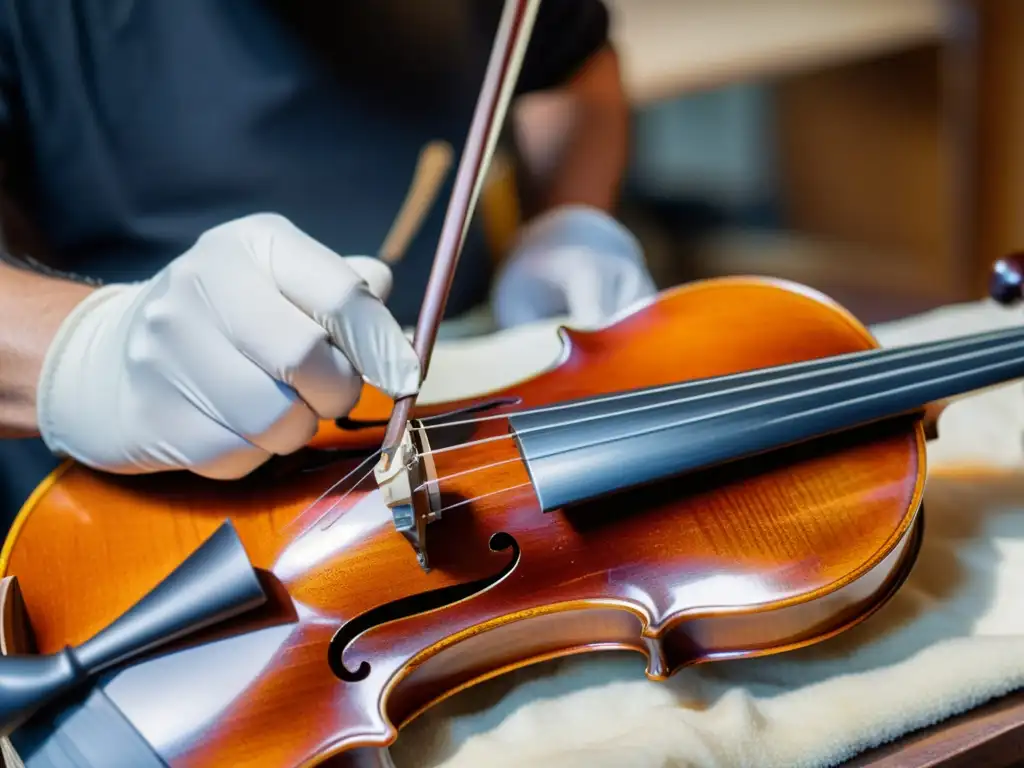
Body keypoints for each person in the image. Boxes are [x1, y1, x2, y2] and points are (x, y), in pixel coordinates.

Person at [0, 1, 656, 523]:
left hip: (464, 417)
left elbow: (575, 65)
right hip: (134, 504)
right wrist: (85, 355)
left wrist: (567, 222)